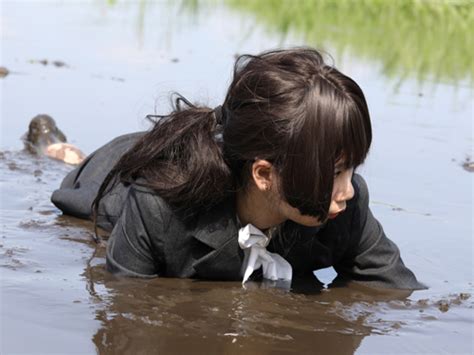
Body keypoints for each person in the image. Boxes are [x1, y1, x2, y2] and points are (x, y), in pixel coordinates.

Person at [51, 48, 425, 289]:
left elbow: (391, 289)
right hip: (117, 169)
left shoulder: (344, 206)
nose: (349, 190)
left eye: (351, 169)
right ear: (265, 175)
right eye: (335, 174)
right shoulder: (156, 206)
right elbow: (126, 311)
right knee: (66, 171)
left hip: (225, 161)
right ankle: (56, 145)